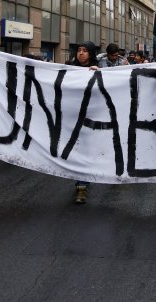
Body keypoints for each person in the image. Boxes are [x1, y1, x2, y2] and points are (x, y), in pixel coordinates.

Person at [70, 41, 100, 204]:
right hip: (71, 118)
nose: (81, 53)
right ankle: (80, 182)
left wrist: (99, 74)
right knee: (75, 152)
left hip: (90, 118)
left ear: (90, 54)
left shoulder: (98, 69)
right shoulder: (69, 69)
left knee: (85, 151)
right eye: (79, 50)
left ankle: (82, 187)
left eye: (85, 51)